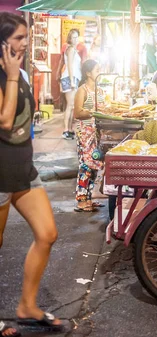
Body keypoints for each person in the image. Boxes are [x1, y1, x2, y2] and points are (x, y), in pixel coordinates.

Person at [0, 12, 69, 337]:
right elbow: (5, 121)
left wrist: (17, 74)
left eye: (26, 37)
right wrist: (11, 77)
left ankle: (27, 306)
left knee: (47, 234)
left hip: (23, 170)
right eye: (18, 39)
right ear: (2, 42)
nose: (25, 43)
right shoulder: (7, 75)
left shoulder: (22, 72)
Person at [73, 59, 105, 212]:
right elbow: (77, 113)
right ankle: (81, 200)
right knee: (85, 165)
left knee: (94, 165)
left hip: (97, 132)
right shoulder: (82, 90)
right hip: (85, 133)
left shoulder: (99, 90)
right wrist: (93, 112)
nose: (99, 72)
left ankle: (89, 198)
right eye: (97, 69)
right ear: (88, 73)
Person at [59, 29, 82, 140]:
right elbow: (69, 66)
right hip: (69, 78)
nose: (75, 39)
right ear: (70, 38)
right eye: (73, 37)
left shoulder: (73, 49)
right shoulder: (71, 49)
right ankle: (65, 130)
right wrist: (72, 80)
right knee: (70, 105)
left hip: (73, 78)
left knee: (72, 106)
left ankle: (70, 129)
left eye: (77, 37)